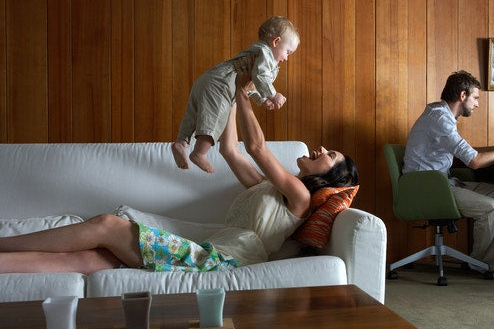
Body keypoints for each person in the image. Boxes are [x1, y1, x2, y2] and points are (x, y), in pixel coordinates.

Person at [0, 76, 358, 275]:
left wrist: (243, 91)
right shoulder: (266, 190)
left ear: (330, 177)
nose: (320, 149)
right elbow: (232, 150)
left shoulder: (300, 197)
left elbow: (257, 148)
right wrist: (231, 97)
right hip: (208, 253)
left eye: (329, 156)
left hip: (219, 262)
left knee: (108, 225)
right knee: (90, 260)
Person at [403, 70, 494, 279]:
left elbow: (468, 152)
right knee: (491, 207)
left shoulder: (440, 114)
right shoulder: (440, 119)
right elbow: (475, 162)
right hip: (428, 188)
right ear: (462, 96)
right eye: (475, 97)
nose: (477, 104)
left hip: (441, 182)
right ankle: (482, 263)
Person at [172, 15, 300, 173]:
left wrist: (262, 99)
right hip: (220, 86)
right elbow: (260, 76)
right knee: (215, 117)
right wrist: (273, 95)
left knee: (193, 113)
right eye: (288, 52)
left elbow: (249, 84)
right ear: (276, 42)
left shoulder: (256, 53)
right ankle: (199, 153)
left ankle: (181, 142)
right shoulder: (266, 55)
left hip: (208, 79)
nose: (287, 58)